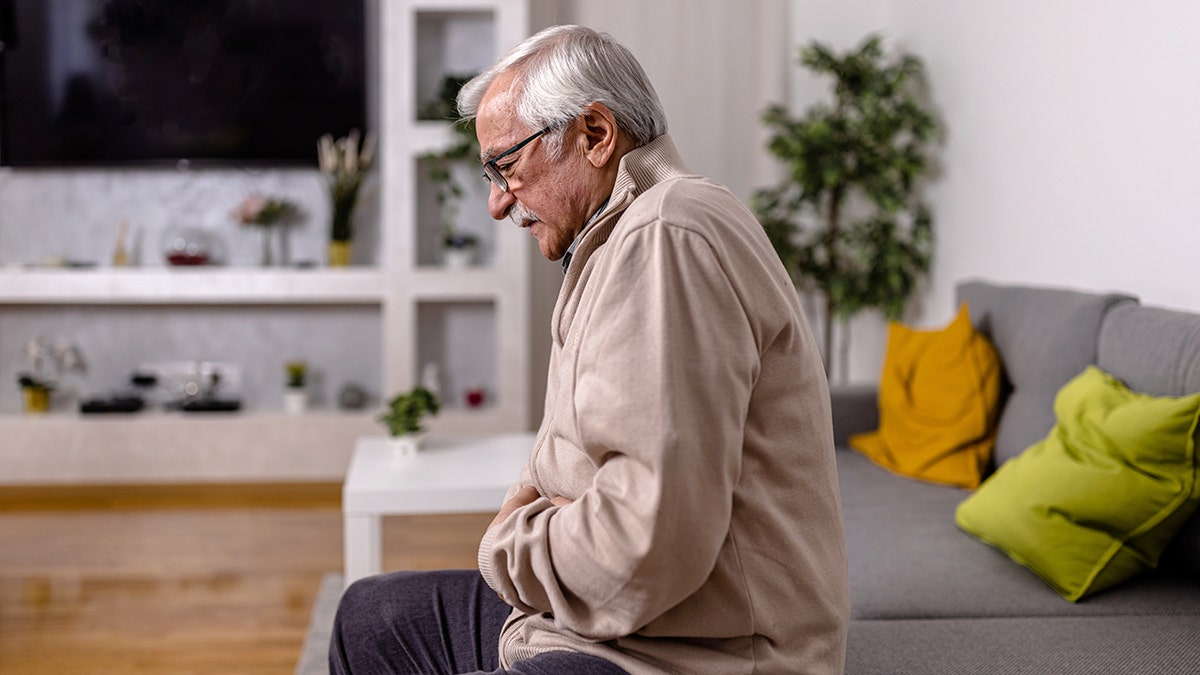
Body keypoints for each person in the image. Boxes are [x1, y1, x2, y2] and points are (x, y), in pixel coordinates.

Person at [330, 24, 849, 675]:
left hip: (691, 655)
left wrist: (507, 547)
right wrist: (536, 533)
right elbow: (563, 466)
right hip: (627, 626)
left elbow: (648, 543)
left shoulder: (667, 236)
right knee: (371, 615)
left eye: (506, 167)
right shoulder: (625, 236)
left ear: (596, 135)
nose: (496, 204)